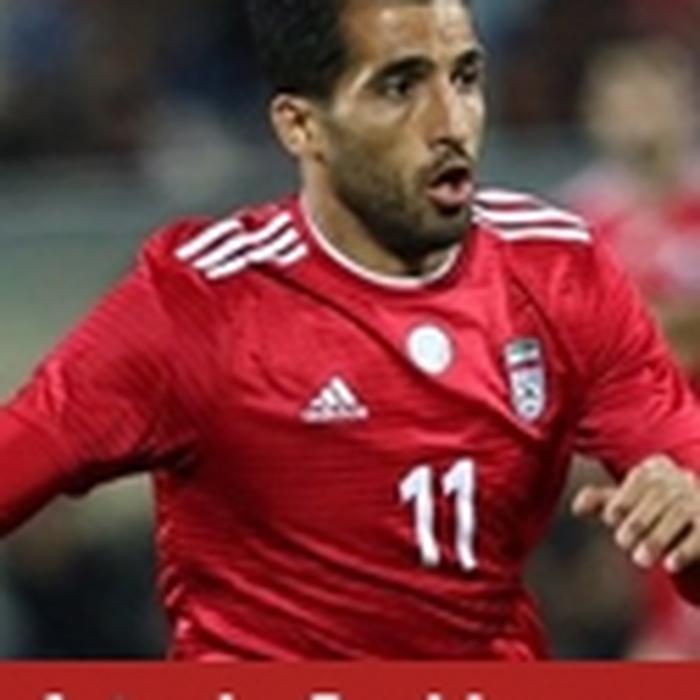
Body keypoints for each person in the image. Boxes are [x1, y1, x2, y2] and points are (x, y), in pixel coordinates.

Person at [2, 0, 700, 661]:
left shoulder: (561, 272)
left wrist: (691, 518)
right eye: (400, 87)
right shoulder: (202, 302)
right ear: (300, 126)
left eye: (464, 77)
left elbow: (687, 486)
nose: (451, 122)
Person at [563, 38, 700, 659]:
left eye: (651, 94)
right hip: (634, 477)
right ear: (595, 114)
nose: (639, 112)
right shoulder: (577, 229)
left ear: (684, 102)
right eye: (622, 99)